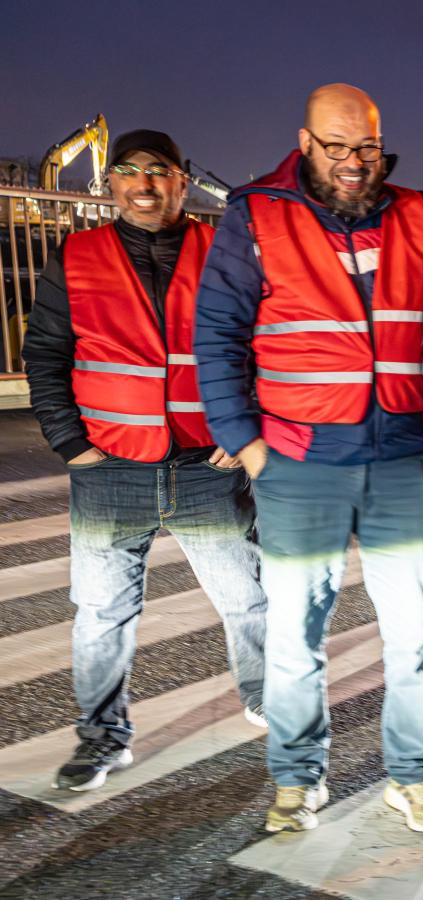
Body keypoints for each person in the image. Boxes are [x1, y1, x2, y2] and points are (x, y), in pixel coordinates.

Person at [193, 84, 423, 834]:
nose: (355, 164)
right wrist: (247, 443)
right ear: (306, 142)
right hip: (299, 463)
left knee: (412, 633)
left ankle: (413, 777)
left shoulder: (414, 211)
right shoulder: (256, 214)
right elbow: (216, 331)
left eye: (369, 149)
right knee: (295, 635)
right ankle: (296, 778)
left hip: (399, 459)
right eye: (339, 147)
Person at [22, 129, 267, 791]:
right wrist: (72, 445)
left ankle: (266, 696)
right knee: (102, 615)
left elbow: (260, 347)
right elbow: (45, 356)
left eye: (157, 172)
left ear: (182, 182)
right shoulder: (76, 257)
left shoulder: (223, 253)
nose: (143, 186)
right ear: (111, 184)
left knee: (247, 600)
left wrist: (240, 429)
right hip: (110, 469)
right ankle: (103, 739)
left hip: (203, 465)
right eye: (128, 173)